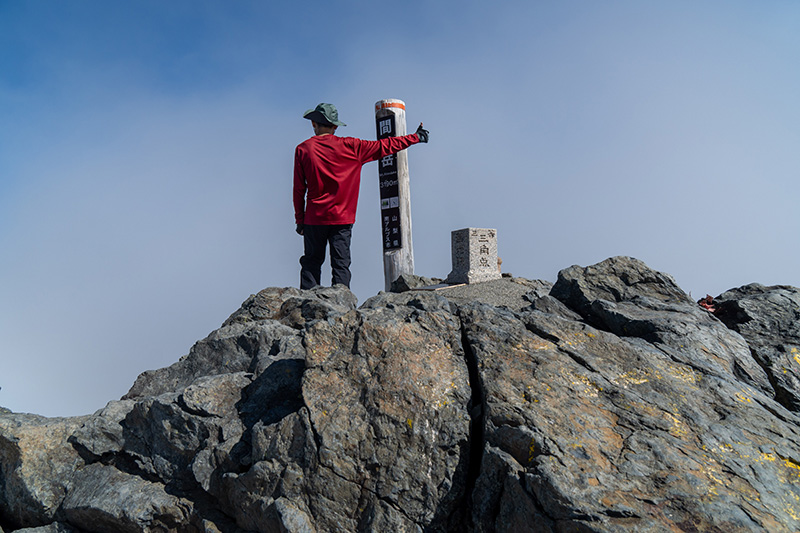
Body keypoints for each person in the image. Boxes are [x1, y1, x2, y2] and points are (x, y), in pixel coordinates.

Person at [293, 103, 429, 290]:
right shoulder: (353, 147)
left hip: (313, 218)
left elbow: (299, 189)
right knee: (341, 264)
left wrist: (300, 220)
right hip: (342, 218)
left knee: (311, 263)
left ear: (314, 124)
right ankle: (341, 306)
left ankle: (307, 305)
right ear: (335, 127)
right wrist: (416, 137)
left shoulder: (303, 149)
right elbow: (386, 146)